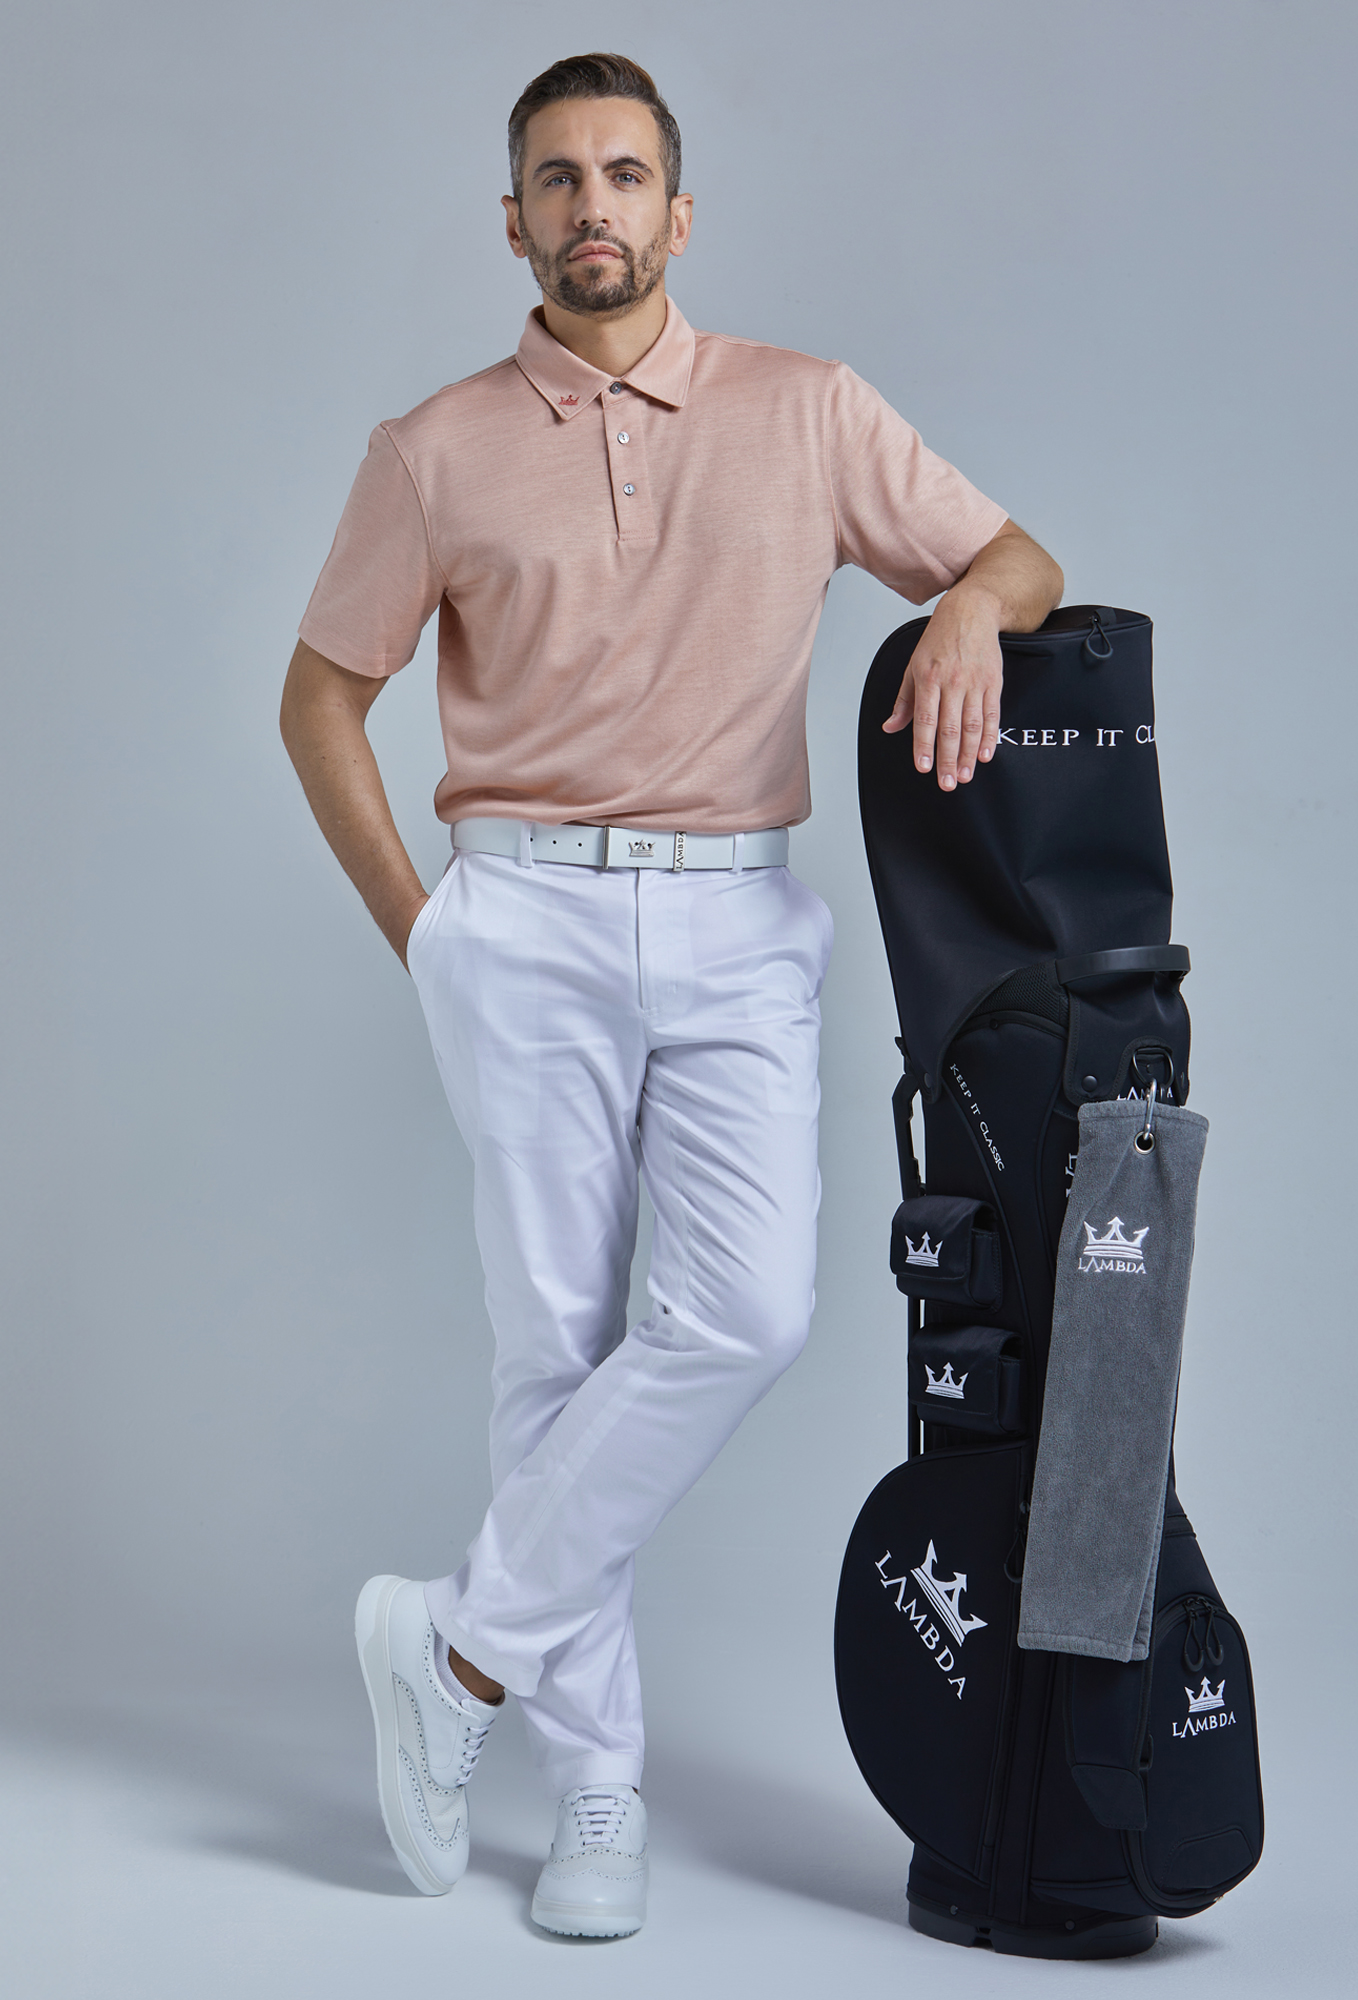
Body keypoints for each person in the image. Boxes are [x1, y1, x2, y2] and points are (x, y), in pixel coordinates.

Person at [280, 51, 1062, 1939]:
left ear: (679, 213)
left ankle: (456, 1652)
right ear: (514, 221)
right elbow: (320, 701)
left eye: (624, 174)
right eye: (558, 178)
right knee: (553, 1355)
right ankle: (598, 1794)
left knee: (747, 1311)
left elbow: (1018, 555)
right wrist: (425, 932)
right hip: (521, 920)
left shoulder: (805, 410)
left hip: (734, 921)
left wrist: (966, 606)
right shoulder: (432, 449)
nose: (593, 206)